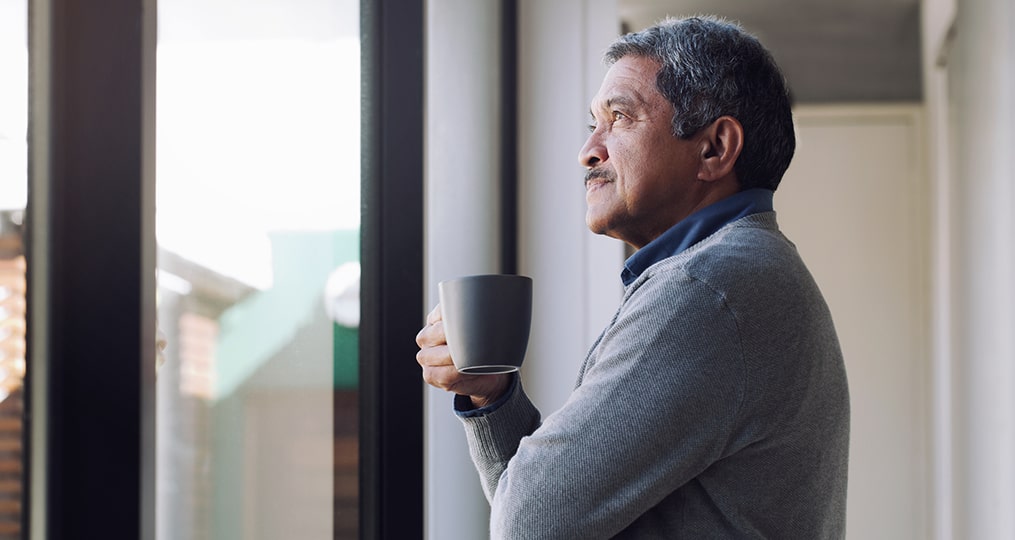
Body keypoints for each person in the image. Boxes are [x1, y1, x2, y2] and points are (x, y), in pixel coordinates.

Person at [416, 15, 849, 539]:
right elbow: (549, 513)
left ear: (714, 149)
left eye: (620, 117)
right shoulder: (745, 272)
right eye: (592, 123)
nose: (588, 151)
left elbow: (530, 525)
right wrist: (492, 397)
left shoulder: (708, 290)